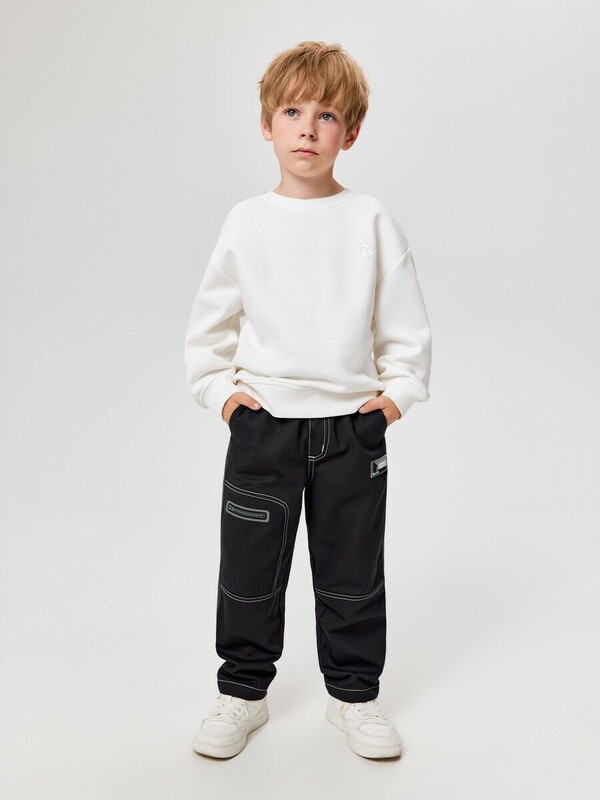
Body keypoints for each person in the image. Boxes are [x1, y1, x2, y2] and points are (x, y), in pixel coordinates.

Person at [184, 40, 432, 760]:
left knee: (353, 573)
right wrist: (226, 399)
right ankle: (243, 691)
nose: (307, 129)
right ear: (266, 124)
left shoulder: (370, 220)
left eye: (327, 115)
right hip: (264, 429)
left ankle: (354, 696)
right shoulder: (246, 221)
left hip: (351, 431)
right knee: (249, 572)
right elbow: (209, 329)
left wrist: (394, 399)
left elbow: (405, 325)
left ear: (349, 133)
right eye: (292, 112)